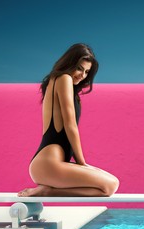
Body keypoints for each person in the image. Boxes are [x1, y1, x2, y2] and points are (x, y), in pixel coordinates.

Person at [18, 43, 119, 197]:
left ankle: (48, 191)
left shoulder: (62, 83)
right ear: (69, 63)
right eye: (79, 68)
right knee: (110, 185)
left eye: (86, 72)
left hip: (50, 164)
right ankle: (47, 191)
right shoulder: (63, 78)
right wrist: (81, 162)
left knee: (108, 188)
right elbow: (70, 125)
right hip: (48, 164)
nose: (82, 75)